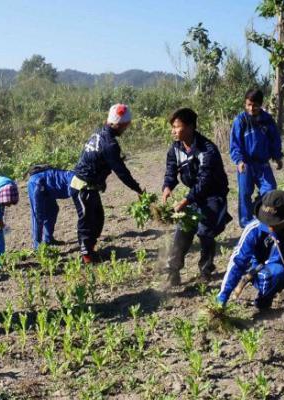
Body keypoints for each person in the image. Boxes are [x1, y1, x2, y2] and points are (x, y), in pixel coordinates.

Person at [162, 108, 232, 284]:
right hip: (194, 194)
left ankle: (205, 270)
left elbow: (205, 181)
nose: (173, 131)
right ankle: (173, 271)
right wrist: (168, 186)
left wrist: (185, 201)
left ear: (190, 127)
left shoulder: (207, 150)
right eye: (173, 127)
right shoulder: (175, 148)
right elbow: (171, 168)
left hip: (213, 195)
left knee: (205, 231)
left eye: (177, 127)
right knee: (182, 231)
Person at [71, 103, 144, 263]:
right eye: (126, 125)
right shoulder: (110, 144)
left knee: (98, 219)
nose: (127, 128)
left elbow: (97, 157)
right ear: (121, 124)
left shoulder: (99, 132)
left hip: (90, 186)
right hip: (82, 187)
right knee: (87, 222)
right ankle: (87, 256)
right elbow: (122, 172)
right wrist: (138, 189)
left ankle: (91, 248)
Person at [230, 89, 284, 227]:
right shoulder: (240, 120)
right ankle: (246, 223)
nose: (251, 108)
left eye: (254, 105)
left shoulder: (267, 120)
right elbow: (235, 144)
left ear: (261, 104)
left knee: (270, 190)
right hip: (246, 165)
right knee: (245, 193)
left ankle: (258, 208)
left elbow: (274, 140)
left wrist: (277, 157)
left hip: (263, 164)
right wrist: (239, 160)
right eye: (248, 104)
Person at [26, 165, 74, 249]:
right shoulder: (75, 179)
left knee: (53, 209)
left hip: (48, 187)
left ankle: (48, 239)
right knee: (38, 214)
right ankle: (37, 246)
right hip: (37, 183)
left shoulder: (74, 176)